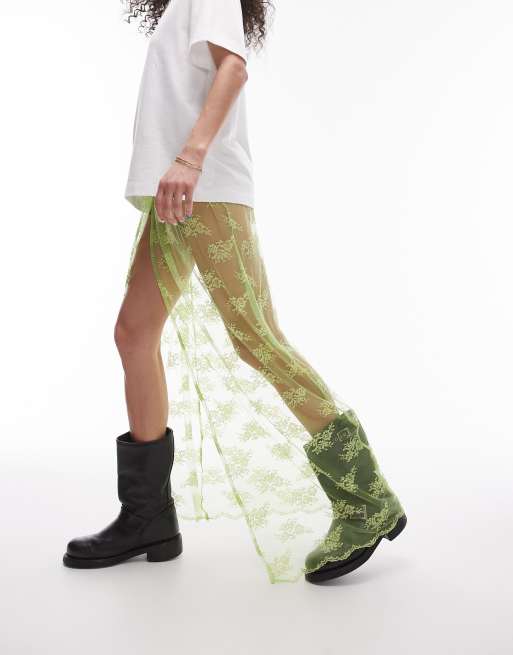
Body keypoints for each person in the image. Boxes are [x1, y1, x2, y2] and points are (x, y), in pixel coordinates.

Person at [62, 0, 407, 584]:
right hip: (174, 194)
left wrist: (190, 158)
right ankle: (148, 517)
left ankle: (366, 497)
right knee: (133, 333)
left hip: (203, 189)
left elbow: (233, 67)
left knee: (255, 338)